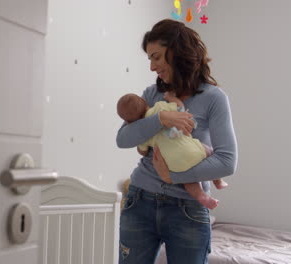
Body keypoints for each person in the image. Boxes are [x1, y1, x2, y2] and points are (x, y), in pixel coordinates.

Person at [116, 19, 237, 264]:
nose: (152, 67)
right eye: (149, 59)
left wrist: (174, 177)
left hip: (188, 209)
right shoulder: (152, 94)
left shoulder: (214, 98)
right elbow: (123, 139)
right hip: (140, 201)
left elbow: (227, 162)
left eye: (156, 57)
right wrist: (161, 118)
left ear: (177, 51)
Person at [116, 92, 228, 210]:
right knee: (210, 151)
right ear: (145, 102)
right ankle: (218, 181)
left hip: (172, 163)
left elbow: (142, 152)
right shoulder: (160, 107)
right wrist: (172, 98)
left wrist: (140, 146)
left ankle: (202, 196)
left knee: (188, 181)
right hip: (192, 149)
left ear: (128, 122)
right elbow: (180, 108)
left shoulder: (144, 133)